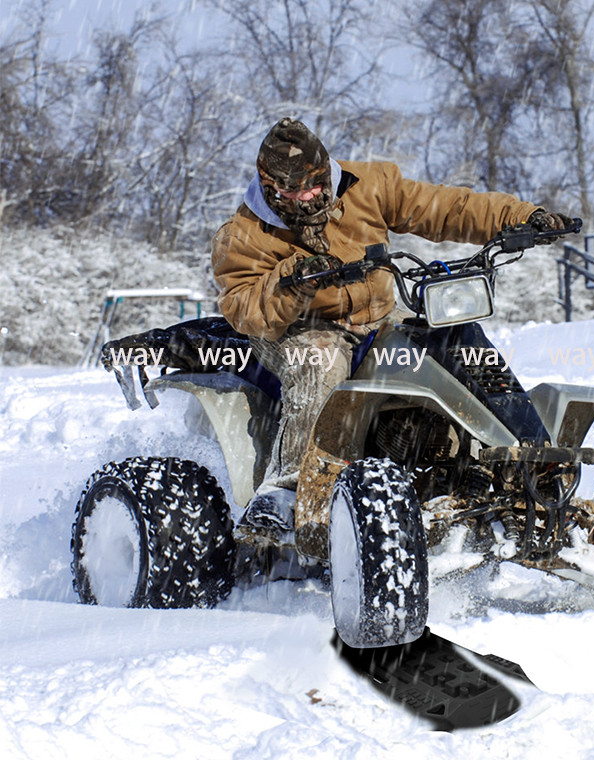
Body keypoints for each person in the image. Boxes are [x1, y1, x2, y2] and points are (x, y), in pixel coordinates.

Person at [212, 117, 569, 535]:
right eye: (294, 191)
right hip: (300, 329)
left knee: (453, 334)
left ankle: (531, 456)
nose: (309, 196)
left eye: (315, 183)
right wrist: (294, 278)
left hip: (377, 318)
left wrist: (522, 217)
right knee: (320, 361)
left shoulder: (370, 183)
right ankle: (288, 492)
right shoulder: (242, 233)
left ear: (326, 169)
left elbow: (445, 207)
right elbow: (243, 309)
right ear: (269, 186)